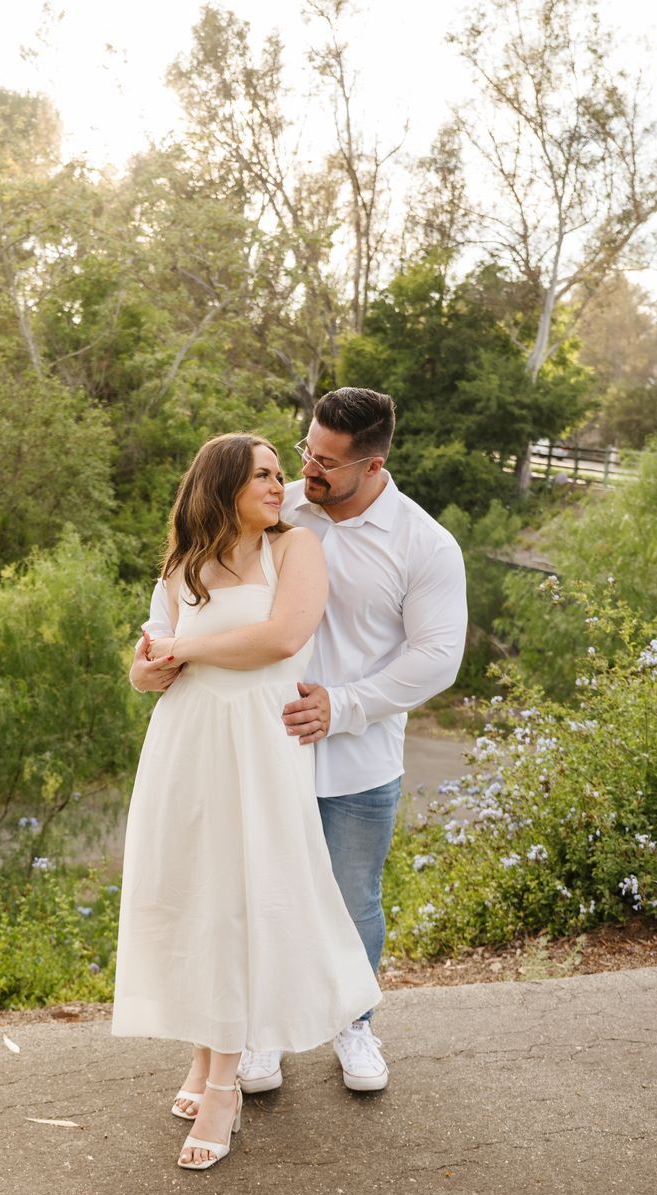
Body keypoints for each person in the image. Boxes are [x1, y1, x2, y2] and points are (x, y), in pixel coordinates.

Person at [138, 388, 468, 1097]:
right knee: (253, 892)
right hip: (251, 748)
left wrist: (343, 706)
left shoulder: (423, 543)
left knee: (351, 898)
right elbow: (191, 592)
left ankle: (354, 1024)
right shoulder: (276, 507)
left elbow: (438, 655)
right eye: (305, 452)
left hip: (354, 754)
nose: (305, 472)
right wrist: (161, 658)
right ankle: (258, 1032)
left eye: (325, 463)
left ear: (372, 465)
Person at [112, 432, 382, 1172]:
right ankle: (205, 1060)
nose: (279, 484)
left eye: (277, 472)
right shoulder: (183, 563)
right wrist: (150, 671)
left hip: (257, 746)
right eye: (262, 474)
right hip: (186, 743)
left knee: (240, 898)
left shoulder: (295, 550)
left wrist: (184, 654)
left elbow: (282, 636)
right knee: (197, 897)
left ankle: (226, 1085)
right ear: (222, 484)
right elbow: (145, 663)